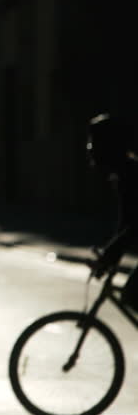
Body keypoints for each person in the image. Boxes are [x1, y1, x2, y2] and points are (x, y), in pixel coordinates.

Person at [86, 113, 138, 311]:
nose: (90, 149)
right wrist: (110, 259)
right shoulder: (124, 174)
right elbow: (126, 224)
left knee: (133, 294)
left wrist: (109, 256)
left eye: (94, 143)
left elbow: (134, 226)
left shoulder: (131, 175)